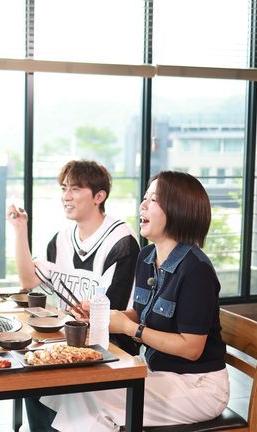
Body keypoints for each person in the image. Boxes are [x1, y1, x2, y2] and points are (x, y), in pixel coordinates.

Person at [39, 171, 230, 431]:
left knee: (89, 395)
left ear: (179, 209)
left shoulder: (196, 269)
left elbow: (191, 348)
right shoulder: (148, 256)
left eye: (154, 199)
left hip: (198, 386)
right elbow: (141, 314)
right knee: (63, 389)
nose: (143, 205)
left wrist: (131, 329)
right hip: (156, 373)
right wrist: (102, 315)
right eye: (145, 197)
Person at [7, 160, 140, 431]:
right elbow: (28, 280)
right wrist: (20, 229)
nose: (66, 196)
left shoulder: (121, 242)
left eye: (75, 189)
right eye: (64, 188)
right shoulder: (61, 239)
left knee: (39, 377)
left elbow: (113, 317)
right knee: (28, 373)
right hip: (70, 340)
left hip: (111, 345)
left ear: (99, 196)